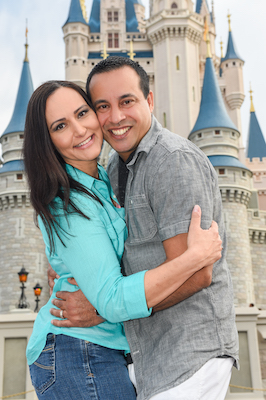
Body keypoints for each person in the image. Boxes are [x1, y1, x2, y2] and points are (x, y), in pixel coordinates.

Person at [49, 57, 239, 400]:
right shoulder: (115, 168)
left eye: (127, 101)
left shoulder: (172, 161)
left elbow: (196, 273)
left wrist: (101, 307)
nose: (116, 118)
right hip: (147, 357)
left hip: (189, 353)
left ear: (149, 101)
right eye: (102, 106)